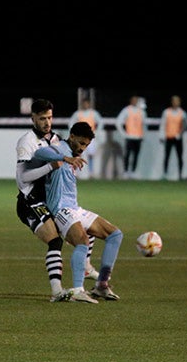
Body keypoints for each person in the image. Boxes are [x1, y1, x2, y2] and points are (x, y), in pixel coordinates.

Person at [16, 99, 99, 303]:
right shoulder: (26, 141)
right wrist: (51, 166)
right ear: (33, 117)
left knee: (86, 231)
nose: (47, 122)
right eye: (42, 118)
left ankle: (86, 269)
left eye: (50, 118)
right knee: (55, 240)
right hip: (30, 201)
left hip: (52, 201)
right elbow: (22, 178)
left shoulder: (56, 139)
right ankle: (57, 291)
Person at [32, 121, 123, 303]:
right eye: (81, 143)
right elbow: (38, 152)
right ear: (72, 136)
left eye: (86, 145)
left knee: (115, 234)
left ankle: (101, 285)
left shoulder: (73, 153)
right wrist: (65, 159)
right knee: (82, 241)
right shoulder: (59, 149)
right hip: (60, 210)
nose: (83, 148)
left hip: (75, 208)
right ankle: (77, 290)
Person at [68, 97, 103, 179]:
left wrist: (96, 132)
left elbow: (100, 123)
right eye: (84, 103)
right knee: (79, 154)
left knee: (91, 155)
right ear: (82, 104)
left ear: (89, 104)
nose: (86, 105)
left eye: (87, 103)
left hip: (90, 139)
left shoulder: (93, 113)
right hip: (80, 138)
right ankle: (77, 172)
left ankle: (91, 172)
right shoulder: (78, 113)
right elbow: (71, 123)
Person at [115, 95, 146, 178]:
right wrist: (124, 134)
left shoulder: (142, 111)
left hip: (138, 137)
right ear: (131, 101)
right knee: (127, 154)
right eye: (133, 100)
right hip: (129, 137)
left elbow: (144, 124)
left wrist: (143, 135)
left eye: (136, 100)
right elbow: (118, 122)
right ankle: (125, 171)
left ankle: (133, 171)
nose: (135, 102)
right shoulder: (126, 110)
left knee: (136, 155)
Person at [159, 94, 187, 180]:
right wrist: (162, 136)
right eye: (174, 101)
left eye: (177, 101)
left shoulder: (182, 113)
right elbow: (163, 124)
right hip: (169, 137)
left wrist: (180, 134)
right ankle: (165, 174)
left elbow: (184, 125)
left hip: (178, 138)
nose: (175, 103)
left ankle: (180, 175)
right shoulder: (166, 112)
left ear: (179, 102)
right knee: (166, 156)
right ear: (172, 102)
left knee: (180, 156)